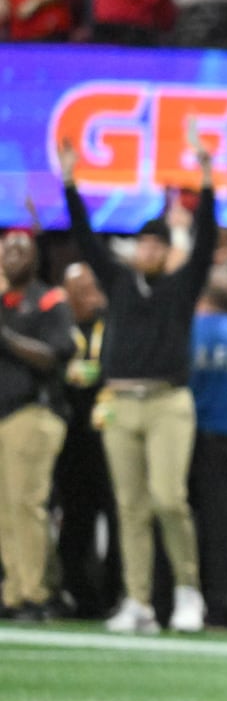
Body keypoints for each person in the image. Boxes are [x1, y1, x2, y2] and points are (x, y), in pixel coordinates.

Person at [62, 139, 214, 635]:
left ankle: (189, 591)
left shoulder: (180, 287)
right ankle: (139, 601)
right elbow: (85, 239)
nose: (147, 250)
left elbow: (208, 242)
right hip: (121, 401)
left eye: (156, 245)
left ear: (167, 251)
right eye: (142, 244)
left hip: (168, 401)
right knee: (128, 505)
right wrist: (69, 184)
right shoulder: (120, 282)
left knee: (169, 497)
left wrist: (209, 184)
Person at [0, 230, 74, 621]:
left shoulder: (48, 301)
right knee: (5, 510)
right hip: (3, 414)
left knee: (27, 505)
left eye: (21, 248)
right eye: (7, 248)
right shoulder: (2, 302)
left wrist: (7, 338)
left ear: (35, 258)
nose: (13, 254)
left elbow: (56, 354)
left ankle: (37, 593)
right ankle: (13, 591)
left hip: (33, 412)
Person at [53, 262, 121, 619]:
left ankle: (113, 595)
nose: (87, 297)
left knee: (116, 514)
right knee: (76, 517)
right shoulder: (58, 323)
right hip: (71, 435)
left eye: (91, 288)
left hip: (109, 432)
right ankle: (78, 593)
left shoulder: (111, 325)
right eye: (78, 291)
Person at [187, 272, 227, 628]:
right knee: (221, 529)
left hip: (187, 436)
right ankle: (222, 605)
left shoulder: (187, 330)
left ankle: (169, 600)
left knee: (179, 522)